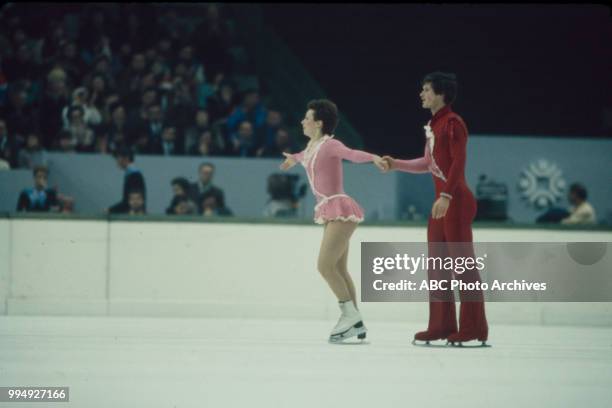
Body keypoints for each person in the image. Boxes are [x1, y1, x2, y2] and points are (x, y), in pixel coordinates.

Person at [382, 72, 489, 347]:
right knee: (437, 267)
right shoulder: (434, 125)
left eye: (427, 90)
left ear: (441, 94)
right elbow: (427, 164)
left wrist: (445, 195)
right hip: (442, 202)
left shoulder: (454, 123)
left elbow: (458, 162)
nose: (422, 94)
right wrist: (397, 164)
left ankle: (473, 327)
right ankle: (440, 325)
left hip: (455, 200)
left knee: (462, 266)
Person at [280, 99, 387, 343]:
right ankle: (356, 320)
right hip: (331, 210)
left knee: (324, 266)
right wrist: (292, 159)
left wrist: (374, 157)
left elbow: (351, 154)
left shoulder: (330, 145)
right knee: (338, 268)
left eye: (307, 118)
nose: (302, 121)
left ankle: (349, 315)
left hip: (339, 208)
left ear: (318, 123)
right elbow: (303, 155)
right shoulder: (312, 147)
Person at [108, 145, 146, 214]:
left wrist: (110, 210)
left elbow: (131, 201)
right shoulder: (131, 175)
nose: (116, 162)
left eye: (117, 158)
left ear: (126, 158)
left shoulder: (134, 175)